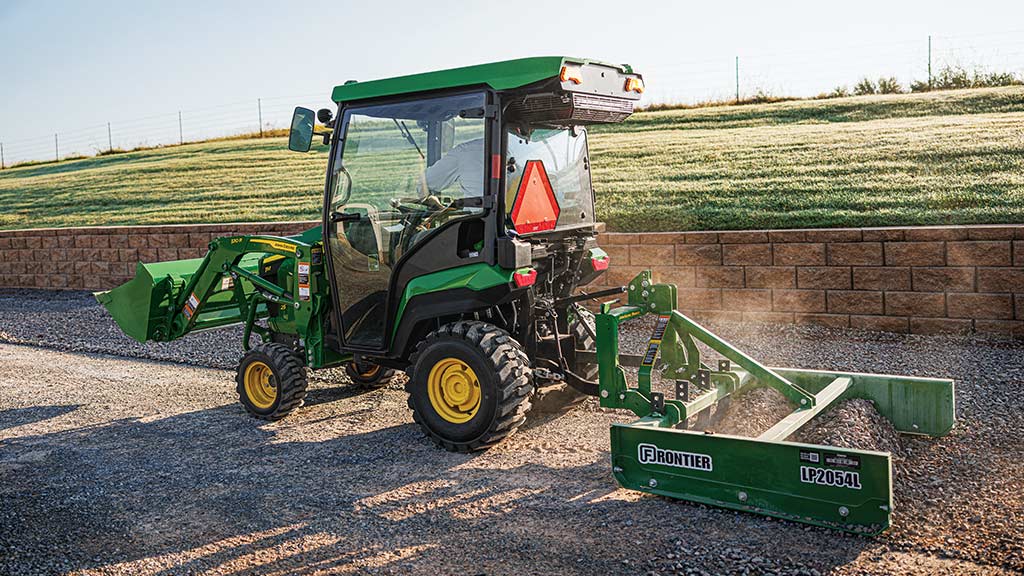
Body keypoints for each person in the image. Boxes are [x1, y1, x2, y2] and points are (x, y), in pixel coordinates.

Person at [420, 138, 484, 199]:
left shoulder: (465, 152)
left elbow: (424, 182)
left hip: (478, 210)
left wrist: (432, 202)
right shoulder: (466, 151)